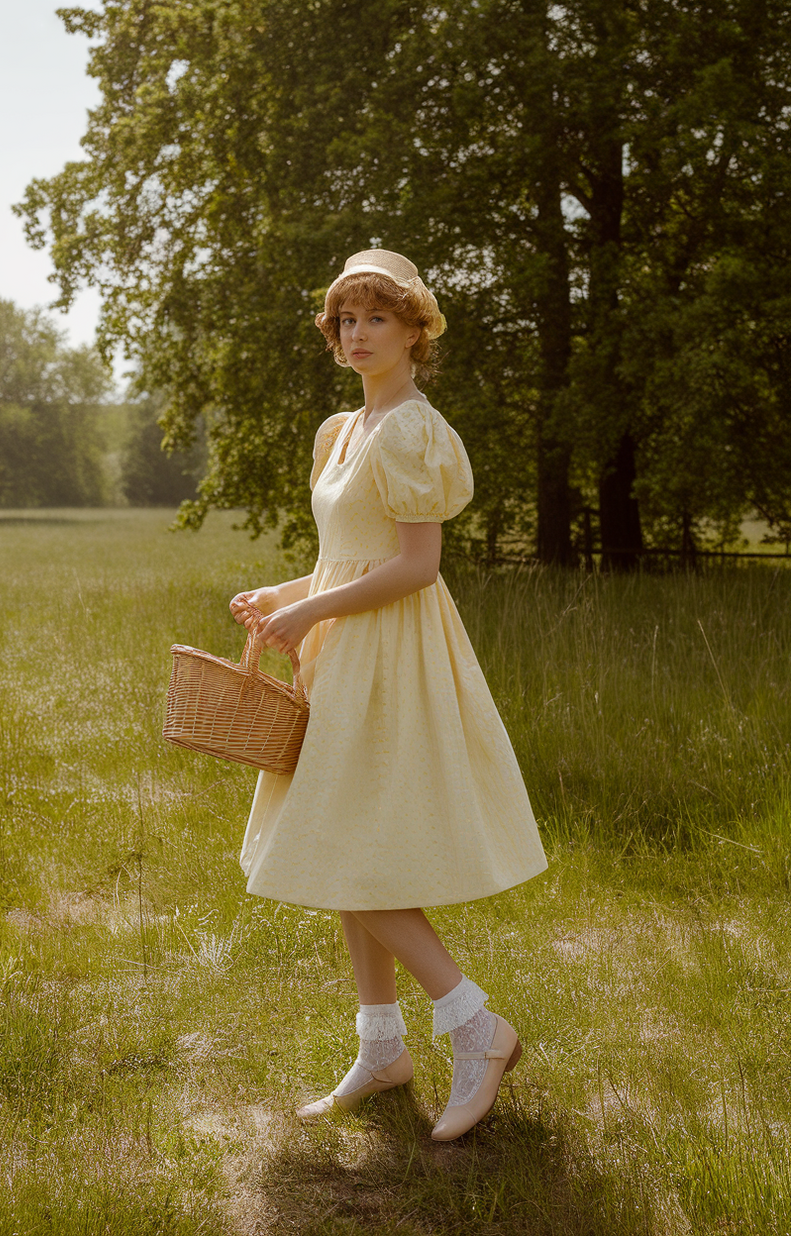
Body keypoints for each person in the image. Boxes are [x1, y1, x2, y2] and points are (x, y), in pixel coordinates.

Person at [229, 249, 547, 1141]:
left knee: (343, 844)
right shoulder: (342, 430)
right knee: (346, 848)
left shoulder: (412, 428)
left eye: (376, 318)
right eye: (346, 321)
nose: (358, 333)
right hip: (340, 648)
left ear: (416, 330)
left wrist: (315, 608)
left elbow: (416, 565)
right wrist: (285, 596)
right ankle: (383, 1049)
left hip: (392, 654)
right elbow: (348, 555)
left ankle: (476, 1025)